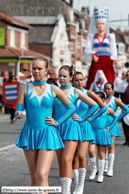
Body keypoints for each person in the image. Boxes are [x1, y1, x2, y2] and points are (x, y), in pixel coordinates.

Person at [15, 58, 76, 194]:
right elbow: (19, 107)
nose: (36, 71)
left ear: (46, 71)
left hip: (47, 134)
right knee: (34, 177)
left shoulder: (53, 89)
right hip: (29, 133)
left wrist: (58, 122)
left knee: (42, 174)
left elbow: (71, 108)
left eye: (40, 68)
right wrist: (18, 113)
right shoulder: (25, 88)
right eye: (34, 68)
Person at [53, 65, 104, 194]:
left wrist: (84, 118)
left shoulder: (79, 92)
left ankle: (77, 187)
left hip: (73, 126)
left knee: (72, 158)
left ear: (70, 78)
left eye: (65, 76)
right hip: (58, 127)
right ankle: (71, 186)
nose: (62, 78)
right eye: (60, 75)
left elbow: (97, 106)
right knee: (64, 161)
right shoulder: (54, 90)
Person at [71, 72, 107, 193]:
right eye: (77, 80)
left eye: (81, 80)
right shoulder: (68, 93)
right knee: (73, 157)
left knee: (81, 155)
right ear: (72, 81)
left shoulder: (88, 93)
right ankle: (76, 184)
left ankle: (81, 186)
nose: (79, 82)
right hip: (71, 127)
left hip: (84, 126)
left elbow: (103, 107)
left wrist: (89, 118)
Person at [84, 7, 118, 89]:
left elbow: (113, 49)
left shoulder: (110, 36)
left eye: (103, 24)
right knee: (94, 79)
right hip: (97, 60)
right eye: (99, 24)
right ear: (96, 25)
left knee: (108, 80)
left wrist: (114, 60)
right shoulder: (92, 36)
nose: (101, 26)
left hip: (107, 61)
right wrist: (94, 53)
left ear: (105, 25)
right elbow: (87, 49)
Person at [88, 91, 118, 183]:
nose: (94, 100)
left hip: (102, 133)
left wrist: (110, 127)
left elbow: (115, 117)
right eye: (93, 98)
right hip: (92, 132)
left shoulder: (107, 109)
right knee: (91, 151)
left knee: (101, 153)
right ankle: (94, 169)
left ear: (102, 100)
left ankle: (100, 174)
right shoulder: (90, 109)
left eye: (96, 98)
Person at [104, 82, 129, 176]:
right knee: (103, 146)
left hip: (112, 125)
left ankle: (110, 168)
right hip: (102, 125)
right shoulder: (101, 99)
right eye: (105, 88)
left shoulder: (115, 100)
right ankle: (105, 165)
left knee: (111, 145)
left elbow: (127, 109)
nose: (106, 90)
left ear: (113, 90)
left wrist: (118, 118)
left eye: (108, 89)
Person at [114, 70, 129, 146]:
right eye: (127, 75)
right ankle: (127, 140)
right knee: (125, 125)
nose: (128, 76)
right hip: (125, 107)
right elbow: (116, 94)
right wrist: (119, 101)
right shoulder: (122, 85)